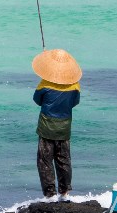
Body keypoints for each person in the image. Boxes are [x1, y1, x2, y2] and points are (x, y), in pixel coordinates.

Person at [31, 48, 81, 201]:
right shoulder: (75, 86)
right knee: (64, 160)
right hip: (64, 128)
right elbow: (75, 102)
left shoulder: (44, 84)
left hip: (47, 127)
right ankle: (64, 193)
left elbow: (37, 100)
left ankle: (50, 194)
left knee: (44, 160)